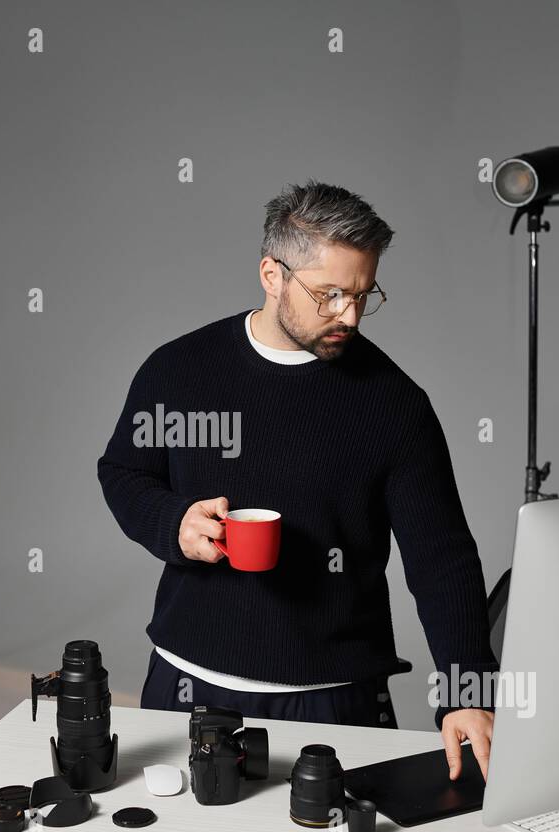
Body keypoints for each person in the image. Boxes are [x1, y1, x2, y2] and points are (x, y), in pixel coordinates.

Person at [97, 180, 498, 780]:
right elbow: (124, 471)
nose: (350, 315)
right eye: (329, 294)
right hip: (189, 684)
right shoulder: (177, 371)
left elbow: (443, 559)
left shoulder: (395, 404)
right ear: (271, 274)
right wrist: (171, 523)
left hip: (337, 700)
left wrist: (469, 691)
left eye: (365, 294)